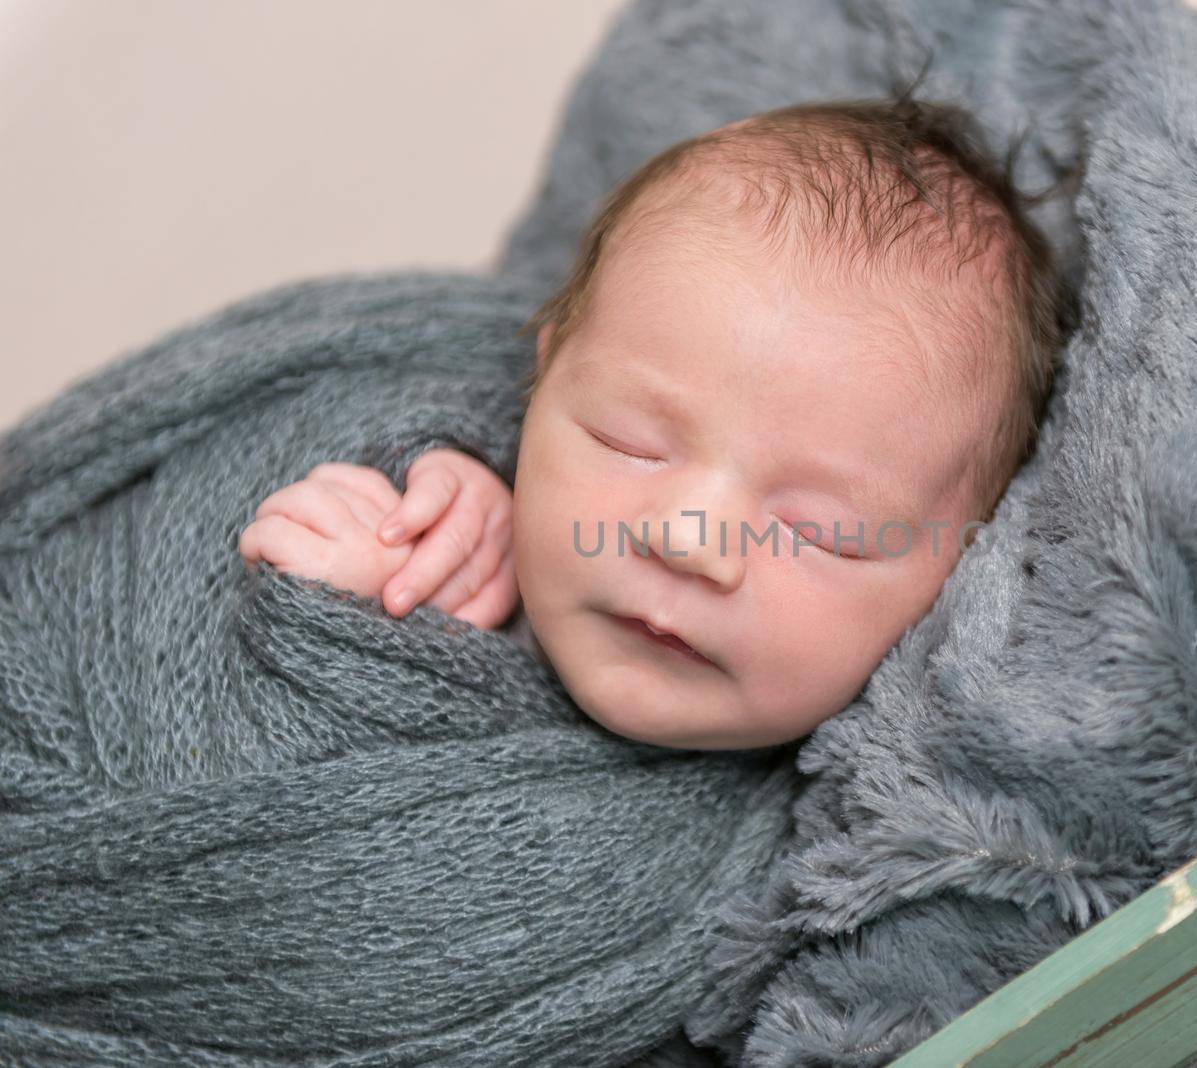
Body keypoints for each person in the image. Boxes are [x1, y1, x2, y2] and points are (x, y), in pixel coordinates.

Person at [238, 92, 1074, 751]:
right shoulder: (448, 520)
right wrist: (366, 587)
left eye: (826, 532)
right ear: (545, 374)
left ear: (963, 564)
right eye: (626, 443)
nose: (688, 540)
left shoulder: (857, 843)